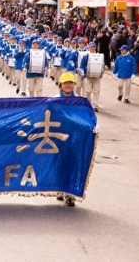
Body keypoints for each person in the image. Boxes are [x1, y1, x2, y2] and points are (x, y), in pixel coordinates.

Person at [54, 72, 78, 207]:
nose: (68, 85)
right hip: (58, 139)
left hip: (75, 139)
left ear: (74, 85)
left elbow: (87, 117)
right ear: (60, 85)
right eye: (65, 83)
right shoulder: (54, 100)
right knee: (60, 164)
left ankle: (70, 194)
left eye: (71, 83)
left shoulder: (80, 101)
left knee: (73, 165)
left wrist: (94, 125)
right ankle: (60, 189)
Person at [79, 42, 105, 112]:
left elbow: (102, 65)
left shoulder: (99, 56)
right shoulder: (86, 56)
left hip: (97, 77)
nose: (92, 48)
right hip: (88, 76)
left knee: (96, 91)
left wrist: (102, 71)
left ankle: (95, 105)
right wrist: (82, 72)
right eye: (91, 47)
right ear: (88, 48)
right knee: (88, 91)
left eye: (93, 47)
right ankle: (87, 103)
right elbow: (81, 66)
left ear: (95, 47)